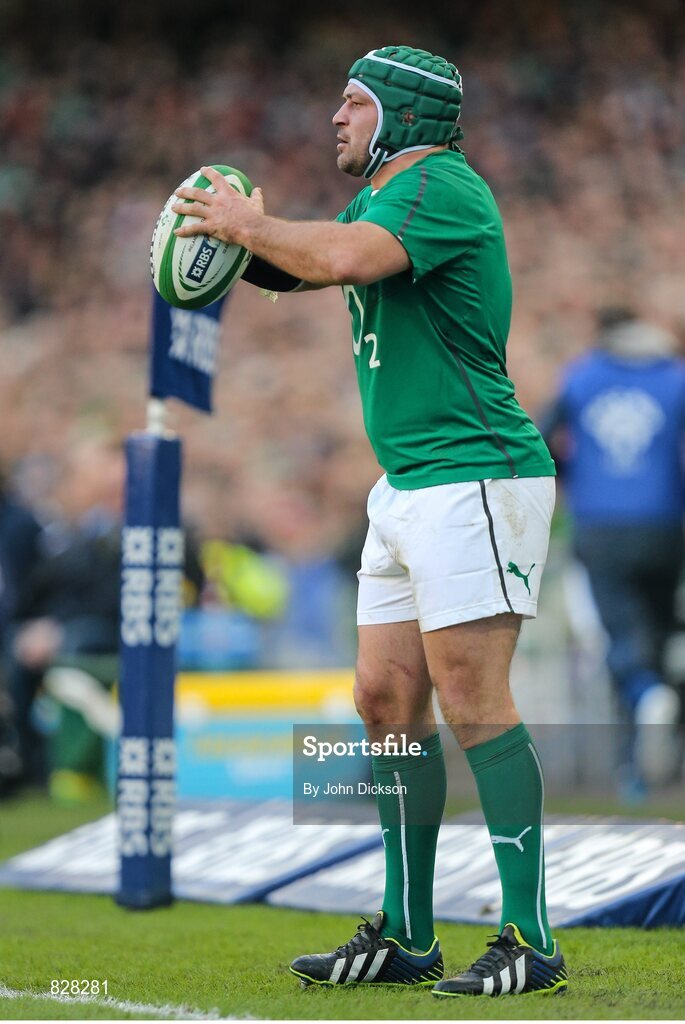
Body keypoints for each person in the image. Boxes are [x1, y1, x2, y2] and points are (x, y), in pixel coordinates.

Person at [171, 45, 566, 998]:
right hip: (407, 485)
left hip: (476, 472)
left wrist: (246, 222)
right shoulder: (383, 198)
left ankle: (530, 939)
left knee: (472, 699)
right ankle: (406, 934)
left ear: (400, 114)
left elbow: (341, 258)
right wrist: (225, 248)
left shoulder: (440, 186)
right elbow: (306, 270)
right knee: (384, 703)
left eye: (353, 103)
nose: (334, 118)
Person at [541, 307, 684, 798]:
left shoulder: (582, 376)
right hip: (666, 526)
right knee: (658, 634)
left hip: (600, 526)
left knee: (621, 637)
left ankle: (643, 711)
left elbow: (541, 438)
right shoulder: (676, 377)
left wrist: (574, 478)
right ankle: (643, 770)